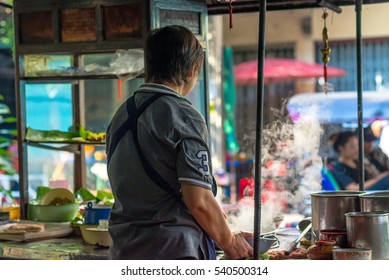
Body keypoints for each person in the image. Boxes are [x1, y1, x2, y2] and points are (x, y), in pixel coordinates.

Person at [106, 25, 252, 260]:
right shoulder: (183, 115)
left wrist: (223, 227)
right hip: (173, 252)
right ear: (192, 69)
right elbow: (199, 201)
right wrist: (229, 241)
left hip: (124, 250)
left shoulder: (121, 114)